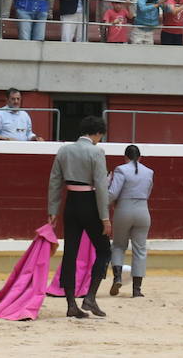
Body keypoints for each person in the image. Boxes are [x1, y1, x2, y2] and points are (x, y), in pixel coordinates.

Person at [46, 114, 112, 319]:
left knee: (70, 253)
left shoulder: (64, 150)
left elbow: (55, 182)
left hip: (71, 204)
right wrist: (105, 217)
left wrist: (53, 210)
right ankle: (90, 297)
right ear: (97, 133)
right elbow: (101, 186)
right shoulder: (96, 152)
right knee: (104, 250)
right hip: (89, 204)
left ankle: (71, 304)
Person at [107, 144, 154, 299]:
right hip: (143, 210)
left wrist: (104, 201)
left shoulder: (121, 170)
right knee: (140, 249)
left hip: (124, 209)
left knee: (119, 245)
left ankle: (118, 278)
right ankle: (137, 289)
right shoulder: (149, 172)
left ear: (125, 157)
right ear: (140, 158)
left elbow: (113, 193)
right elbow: (148, 192)